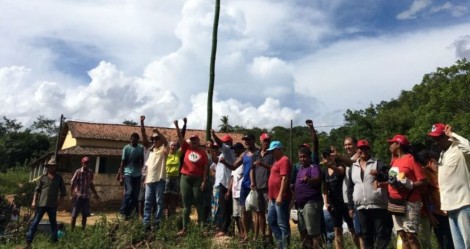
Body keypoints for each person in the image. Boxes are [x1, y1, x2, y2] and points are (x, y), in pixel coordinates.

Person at [427, 123, 470, 249]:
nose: (436, 141)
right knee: (459, 245)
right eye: (434, 138)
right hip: (450, 206)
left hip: (464, 204)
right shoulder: (442, 154)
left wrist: (453, 134)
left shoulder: (459, 149)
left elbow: (469, 147)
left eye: (439, 137)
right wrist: (444, 204)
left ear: (446, 136)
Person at [347, 139, 392, 249]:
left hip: (378, 204)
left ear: (369, 149)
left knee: (382, 233)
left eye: (366, 148)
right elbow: (350, 187)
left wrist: (379, 174)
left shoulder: (377, 163)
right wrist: (350, 207)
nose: (363, 151)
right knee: (366, 235)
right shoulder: (353, 167)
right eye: (361, 149)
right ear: (357, 150)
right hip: (361, 205)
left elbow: (389, 177)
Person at [387, 134, 427, 249]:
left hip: (410, 202)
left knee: (411, 236)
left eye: (392, 143)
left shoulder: (411, 159)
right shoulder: (394, 160)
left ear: (398, 144)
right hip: (395, 203)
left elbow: (423, 181)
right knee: (402, 235)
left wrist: (410, 184)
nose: (390, 145)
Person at [220, 134, 259, 242]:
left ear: (253, 140)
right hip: (245, 185)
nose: (246, 142)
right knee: (243, 211)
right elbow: (233, 166)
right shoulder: (244, 154)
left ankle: (256, 236)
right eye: (245, 140)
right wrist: (224, 162)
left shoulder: (259, 153)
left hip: (256, 185)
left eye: (248, 139)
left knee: (256, 212)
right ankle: (246, 236)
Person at [174, 120, 209, 236]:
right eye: (192, 140)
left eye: (196, 140)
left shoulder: (203, 153)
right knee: (186, 204)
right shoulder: (186, 148)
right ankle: (185, 228)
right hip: (185, 178)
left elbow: (205, 168)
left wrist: (204, 181)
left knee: (199, 202)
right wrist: (177, 126)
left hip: (197, 179)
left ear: (199, 142)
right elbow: (180, 137)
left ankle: (202, 226)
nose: (194, 141)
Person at [416, 150, 454, 249]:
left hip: (451, 210)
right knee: (444, 241)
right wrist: (430, 214)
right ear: (430, 161)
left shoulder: (443, 171)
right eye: (436, 162)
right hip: (438, 213)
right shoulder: (426, 173)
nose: (437, 164)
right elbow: (424, 195)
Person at [26, 158, 66, 247]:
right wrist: (33, 201)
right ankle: (28, 242)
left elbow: (63, 193)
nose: (52, 168)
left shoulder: (59, 178)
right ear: (48, 167)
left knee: (53, 225)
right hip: (41, 204)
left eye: (54, 166)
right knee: (34, 223)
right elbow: (37, 191)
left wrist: (58, 203)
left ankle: (54, 242)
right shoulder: (42, 178)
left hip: (52, 205)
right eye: (51, 166)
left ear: (55, 167)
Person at [321, 148, 356, 249]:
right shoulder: (324, 171)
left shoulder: (340, 165)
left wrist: (331, 165)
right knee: (337, 230)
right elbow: (325, 187)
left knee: (352, 228)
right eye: (324, 157)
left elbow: (341, 171)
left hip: (344, 202)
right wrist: (326, 202)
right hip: (333, 204)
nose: (327, 158)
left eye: (328, 156)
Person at [295, 146, 323, 248]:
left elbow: (317, 179)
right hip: (300, 205)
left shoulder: (313, 167)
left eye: (304, 157)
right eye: (300, 157)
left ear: (309, 157)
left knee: (314, 233)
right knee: (303, 231)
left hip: (311, 203)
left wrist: (309, 180)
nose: (302, 159)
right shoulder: (301, 169)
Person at [266, 141, 292, 249]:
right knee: (271, 220)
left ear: (279, 149)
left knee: (282, 223)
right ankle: (281, 243)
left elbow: (285, 179)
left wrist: (280, 195)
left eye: (273, 150)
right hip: (272, 198)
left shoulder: (284, 160)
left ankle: (285, 246)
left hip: (280, 198)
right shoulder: (276, 161)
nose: (271, 153)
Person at [211, 130, 236, 237]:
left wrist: (213, 135)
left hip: (226, 184)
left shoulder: (229, 151)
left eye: (226, 142)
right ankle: (222, 228)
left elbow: (221, 144)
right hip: (220, 183)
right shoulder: (222, 154)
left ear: (230, 143)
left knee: (225, 208)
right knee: (220, 208)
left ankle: (224, 229)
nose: (224, 144)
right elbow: (214, 162)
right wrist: (211, 148)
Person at [142, 128, 169, 230]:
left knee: (159, 202)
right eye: (153, 139)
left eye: (156, 139)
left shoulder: (164, 150)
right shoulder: (151, 152)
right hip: (149, 180)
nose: (154, 141)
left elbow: (166, 141)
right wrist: (144, 180)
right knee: (147, 202)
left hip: (159, 180)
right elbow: (148, 167)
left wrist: (158, 132)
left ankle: (157, 222)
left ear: (160, 140)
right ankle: (146, 222)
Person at [117, 132, 145, 219]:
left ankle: (129, 213)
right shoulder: (126, 148)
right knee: (129, 192)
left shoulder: (140, 148)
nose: (133, 142)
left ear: (137, 140)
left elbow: (143, 161)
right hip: (128, 173)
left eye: (135, 140)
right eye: (132, 140)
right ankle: (122, 211)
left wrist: (143, 173)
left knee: (135, 195)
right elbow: (122, 163)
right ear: (130, 140)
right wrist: (121, 176)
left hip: (137, 174)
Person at [342, 136, 363, 249]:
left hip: (357, 199)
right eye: (345, 145)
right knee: (353, 229)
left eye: (349, 144)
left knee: (360, 231)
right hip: (347, 199)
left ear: (356, 145)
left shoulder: (358, 156)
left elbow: (351, 163)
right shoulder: (346, 158)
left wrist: (338, 156)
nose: (347, 147)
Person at [252, 132, 273, 241]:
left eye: (268, 141)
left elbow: (274, 168)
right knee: (259, 212)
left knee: (269, 212)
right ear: (260, 141)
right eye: (264, 141)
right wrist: (252, 182)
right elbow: (252, 169)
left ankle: (269, 235)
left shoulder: (272, 154)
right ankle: (262, 235)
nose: (266, 143)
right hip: (257, 187)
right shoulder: (256, 154)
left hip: (268, 187)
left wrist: (262, 164)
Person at [70, 156, 99, 231]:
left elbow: (91, 184)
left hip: (86, 196)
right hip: (78, 196)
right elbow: (73, 183)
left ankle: (83, 230)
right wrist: (71, 195)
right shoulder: (78, 172)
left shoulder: (90, 172)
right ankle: (71, 231)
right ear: (82, 163)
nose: (86, 164)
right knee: (74, 214)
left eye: (87, 162)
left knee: (85, 215)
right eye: (84, 162)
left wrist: (95, 194)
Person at [227, 142, 246, 239]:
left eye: (236, 149)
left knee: (242, 215)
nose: (234, 151)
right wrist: (228, 191)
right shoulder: (235, 162)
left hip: (241, 192)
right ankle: (240, 234)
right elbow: (232, 178)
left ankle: (244, 234)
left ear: (241, 150)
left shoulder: (243, 163)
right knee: (236, 215)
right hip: (234, 193)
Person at [164, 140, 182, 217]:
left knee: (173, 197)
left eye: (175, 145)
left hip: (176, 178)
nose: (173, 147)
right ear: (169, 146)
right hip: (167, 177)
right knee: (165, 196)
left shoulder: (178, 153)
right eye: (171, 145)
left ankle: (172, 214)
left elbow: (185, 143)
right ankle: (165, 212)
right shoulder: (166, 154)